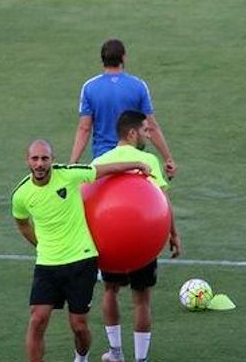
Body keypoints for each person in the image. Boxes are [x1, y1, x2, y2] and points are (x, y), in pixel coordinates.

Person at [12, 139, 152, 362]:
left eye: (44, 158)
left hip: (81, 260)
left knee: (79, 326)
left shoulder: (69, 174)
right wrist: (40, 244)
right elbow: (21, 222)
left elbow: (104, 170)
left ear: (52, 160)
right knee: (37, 319)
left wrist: (136, 163)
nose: (39, 164)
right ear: (27, 161)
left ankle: (81, 357)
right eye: (35, 158)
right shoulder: (21, 194)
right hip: (47, 264)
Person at [91, 111, 181, 362]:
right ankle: (141, 359)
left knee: (110, 290)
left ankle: (116, 352)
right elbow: (162, 200)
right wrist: (173, 233)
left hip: (109, 240)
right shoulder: (147, 159)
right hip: (142, 239)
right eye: (145, 131)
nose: (148, 135)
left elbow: (87, 199)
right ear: (131, 133)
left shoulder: (102, 160)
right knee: (142, 299)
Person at [70, 39, 177, 179]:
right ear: (124, 58)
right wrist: (168, 159)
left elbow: (84, 129)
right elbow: (151, 126)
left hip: (103, 162)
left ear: (102, 61)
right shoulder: (138, 86)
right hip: (134, 161)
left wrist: (73, 163)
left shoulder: (90, 87)